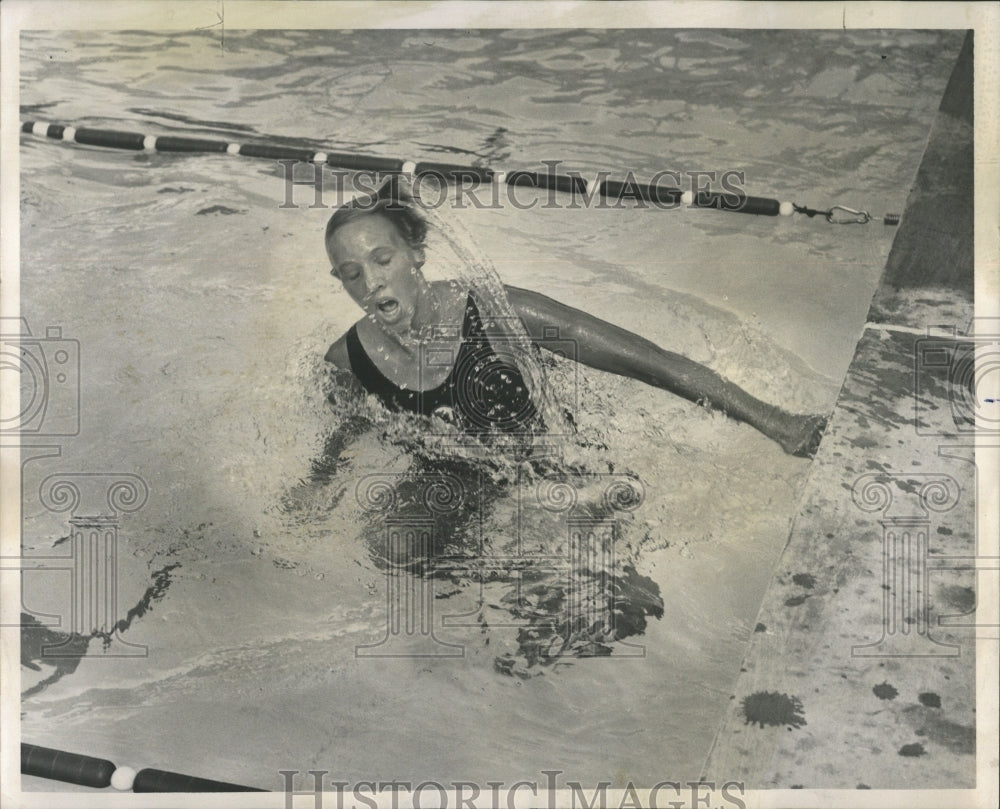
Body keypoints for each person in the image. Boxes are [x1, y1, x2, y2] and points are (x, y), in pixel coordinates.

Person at [323, 178, 827, 456]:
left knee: (615, 610)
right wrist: (312, 489)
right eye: (351, 274)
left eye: (382, 260)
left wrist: (778, 424)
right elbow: (343, 427)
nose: (371, 284)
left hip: (550, 466)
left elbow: (651, 363)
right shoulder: (349, 357)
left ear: (415, 254)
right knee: (393, 550)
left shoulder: (499, 312)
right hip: (457, 480)